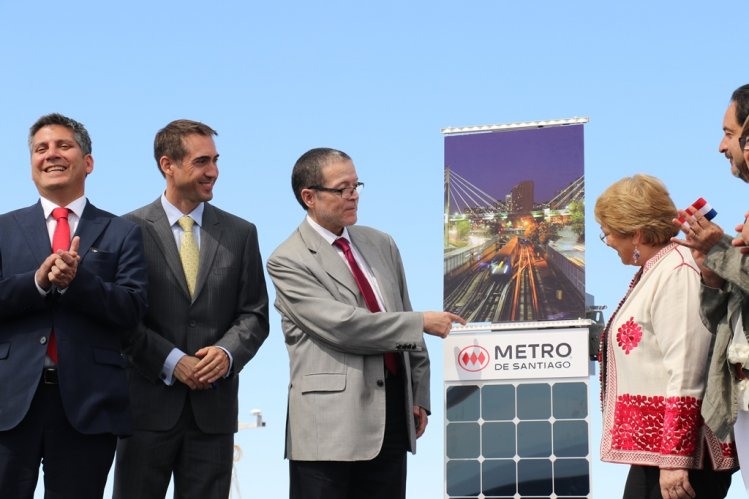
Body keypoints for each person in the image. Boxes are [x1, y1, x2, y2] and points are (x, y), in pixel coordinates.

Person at [267, 147, 465, 499]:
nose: (354, 195)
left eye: (356, 185)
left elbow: (401, 309)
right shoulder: (287, 260)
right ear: (309, 197)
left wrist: (417, 393)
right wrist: (420, 322)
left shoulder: (381, 243)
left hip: (391, 415)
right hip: (328, 429)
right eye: (342, 188)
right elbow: (344, 327)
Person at [113, 119, 269, 499]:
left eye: (215, 160)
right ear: (168, 165)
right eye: (202, 162)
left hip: (213, 415)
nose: (213, 171)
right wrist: (172, 361)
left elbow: (255, 314)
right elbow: (120, 319)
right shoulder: (125, 230)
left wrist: (227, 352)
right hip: (146, 411)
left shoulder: (241, 233)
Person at [0, 113, 148, 498]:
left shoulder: (123, 232)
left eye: (63, 145)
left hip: (89, 405)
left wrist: (77, 283)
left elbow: (132, 309)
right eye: (40, 148)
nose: (51, 154)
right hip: (10, 403)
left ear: (88, 162)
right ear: (31, 163)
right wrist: (38, 281)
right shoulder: (3, 229)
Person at [595, 174, 735, 499]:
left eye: (609, 233)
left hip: (685, 458)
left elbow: (688, 366)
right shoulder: (660, 268)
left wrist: (675, 458)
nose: (609, 242)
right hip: (660, 451)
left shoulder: (677, 270)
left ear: (637, 233)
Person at [672, 85, 749, 495]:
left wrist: (719, 252)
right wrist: (713, 276)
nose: (722, 146)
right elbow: (720, 317)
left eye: (730, 133)